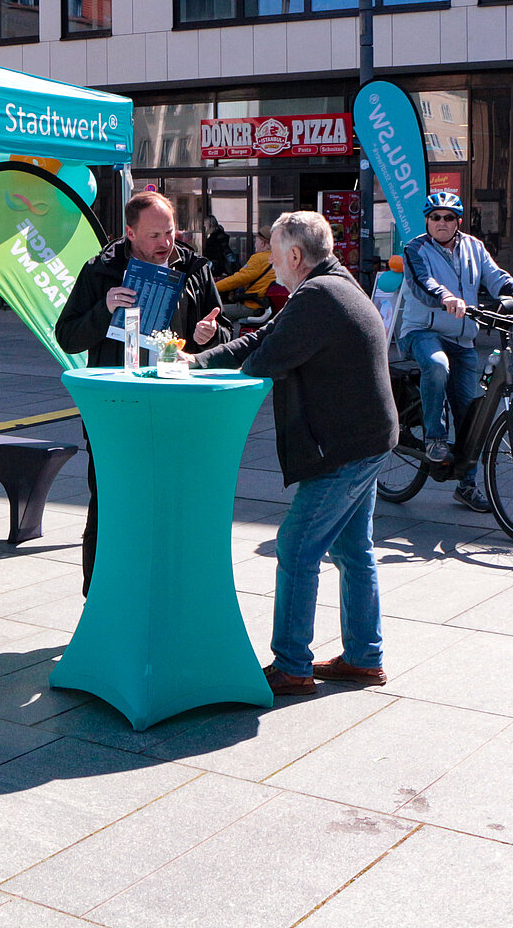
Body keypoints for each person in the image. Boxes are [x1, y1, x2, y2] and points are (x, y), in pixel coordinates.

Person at [189, 211, 398, 697]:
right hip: (367, 437)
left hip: (346, 447)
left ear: (296, 256)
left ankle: (291, 667)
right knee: (353, 550)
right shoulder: (332, 282)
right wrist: (197, 361)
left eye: (274, 253)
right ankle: (365, 658)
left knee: (297, 548)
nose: (269, 262)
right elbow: (265, 338)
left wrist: (206, 365)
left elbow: (265, 358)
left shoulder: (318, 296)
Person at [55, 190, 233, 596]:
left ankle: (164, 593)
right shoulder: (100, 271)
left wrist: (209, 335)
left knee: (171, 506)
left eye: (170, 232)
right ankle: (98, 599)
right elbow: (67, 337)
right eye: (154, 235)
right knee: (111, 505)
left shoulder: (195, 269)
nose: (165, 244)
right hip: (116, 409)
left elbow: (223, 334)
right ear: (130, 233)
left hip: (176, 407)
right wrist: (103, 309)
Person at [400, 191, 513, 512]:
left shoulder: (473, 247)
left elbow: (497, 278)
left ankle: (467, 486)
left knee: (469, 414)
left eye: (449, 217)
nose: (442, 223)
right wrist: (446, 297)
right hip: (423, 331)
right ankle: (435, 439)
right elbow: (422, 282)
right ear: (427, 220)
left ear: (458, 221)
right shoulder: (415, 248)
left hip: (463, 337)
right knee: (437, 365)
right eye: (435, 217)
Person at [217, 231, 277, 318]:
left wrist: (214, 286)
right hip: (265, 306)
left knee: (211, 313)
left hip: (253, 306)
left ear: (263, 243)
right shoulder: (278, 258)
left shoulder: (258, 259)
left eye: (256, 241)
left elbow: (239, 279)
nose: (255, 244)